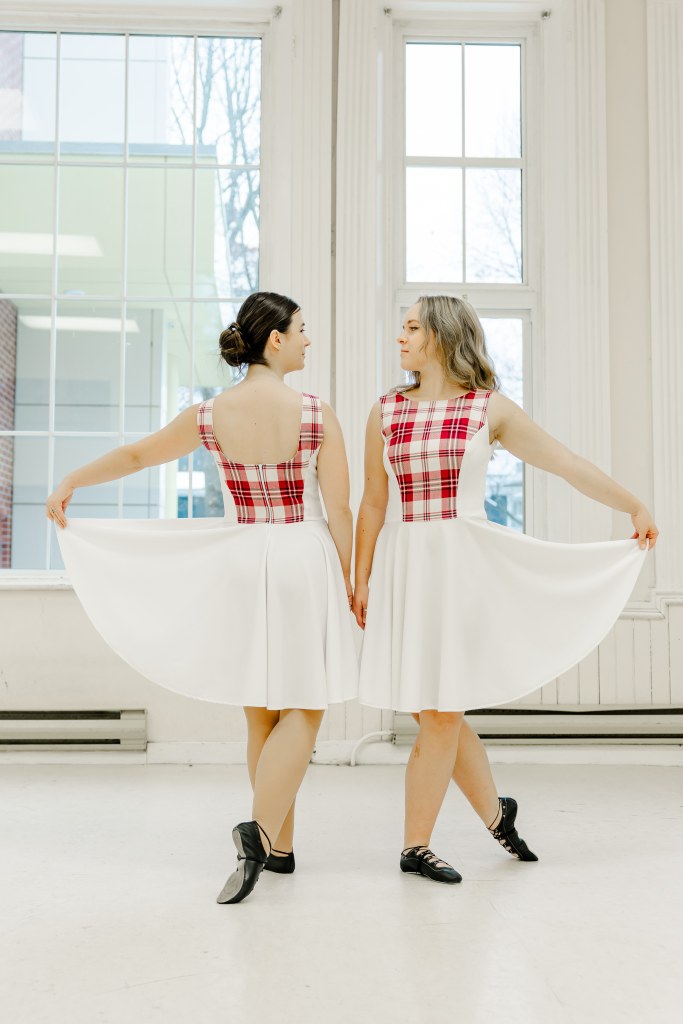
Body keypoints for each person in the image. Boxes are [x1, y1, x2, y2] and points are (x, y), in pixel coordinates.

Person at [47, 291, 358, 905]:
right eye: (300, 330)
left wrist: (73, 479)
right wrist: (354, 580)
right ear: (274, 340)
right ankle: (259, 831)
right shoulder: (317, 413)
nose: (306, 340)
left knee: (258, 710)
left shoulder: (210, 414)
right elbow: (341, 509)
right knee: (305, 704)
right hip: (300, 555)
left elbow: (138, 455)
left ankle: (280, 849)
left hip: (241, 557)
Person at [353, 295, 658, 884]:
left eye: (412, 327)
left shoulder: (486, 408)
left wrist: (633, 503)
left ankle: (415, 846)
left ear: (441, 336)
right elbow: (372, 500)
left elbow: (565, 462)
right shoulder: (384, 410)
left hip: (464, 567)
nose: (401, 337)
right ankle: (497, 814)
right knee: (433, 708)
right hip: (407, 565)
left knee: (441, 713)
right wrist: (361, 576)